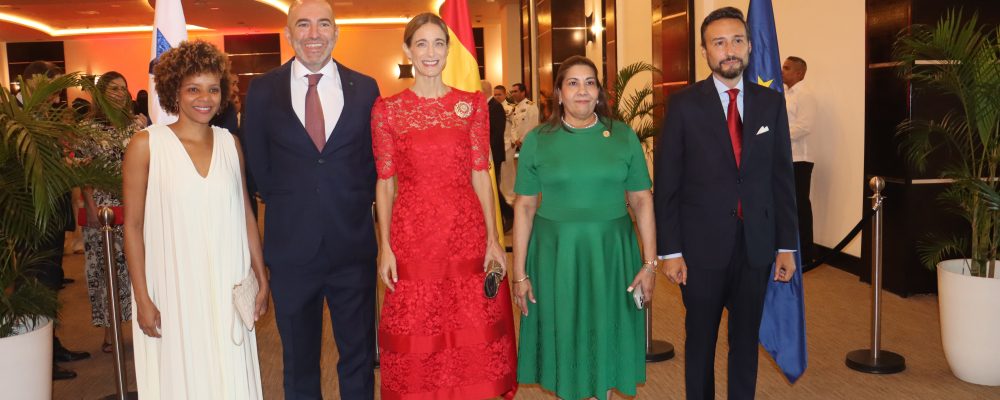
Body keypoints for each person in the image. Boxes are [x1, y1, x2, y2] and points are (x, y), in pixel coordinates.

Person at [653, 7, 798, 400]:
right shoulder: (683, 104)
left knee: (745, 341)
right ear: (705, 52)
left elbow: (782, 178)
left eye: (737, 40)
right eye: (719, 43)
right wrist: (671, 252)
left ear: (750, 46)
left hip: (756, 246)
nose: (729, 50)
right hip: (700, 249)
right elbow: (667, 184)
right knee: (701, 341)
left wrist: (786, 246)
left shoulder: (771, 102)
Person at [372, 13, 517, 399]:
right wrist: (385, 246)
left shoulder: (472, 105)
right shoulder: (387, 110)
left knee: (467, 325)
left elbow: (481, 174)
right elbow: (384, 183)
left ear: (448, 49)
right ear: (407, 51)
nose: (430, 52)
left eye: (438, 43)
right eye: (421, 44)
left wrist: (492, 240)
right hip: (412, 237)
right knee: (418, 326)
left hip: (465, 232)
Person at [241, 0, 381, 398]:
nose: (314, 34)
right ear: (288, 34)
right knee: (299, 363)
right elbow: (258, 166)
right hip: (291, 253)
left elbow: (372, 163)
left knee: (358, 359)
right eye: (303, 25)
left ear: (336, 32)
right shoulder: (263, 90)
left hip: (352, 249)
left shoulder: (365, 88)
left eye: (323, 24)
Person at [122, 40, 268, 399]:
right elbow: (133, 227)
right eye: (193, 89)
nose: (205, 98)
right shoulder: (146, 144)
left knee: (228, 370)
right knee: (183, 374)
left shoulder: (230, 143)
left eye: (213, 89)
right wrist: (142, 297)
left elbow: (245, 214)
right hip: (174, 286)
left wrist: (261, 277)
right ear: (174, 91)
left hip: (227, 281)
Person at [512, 55, 656, 399]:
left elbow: (642, 201)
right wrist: (519, 274)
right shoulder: (538, 139)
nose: (582, 90)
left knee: (606, 331)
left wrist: (650, 264)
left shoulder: (622, 136)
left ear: (598, 92)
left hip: (611, 254)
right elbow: (525, 207)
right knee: (565, 333)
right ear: (559, 94)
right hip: (556, 255)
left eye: (590, 83)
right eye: (572, 83)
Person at [18, 60, 91, 381]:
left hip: (52, 214)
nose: (56, 94)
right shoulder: (17, 117)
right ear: (32, 82)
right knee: (37, 284)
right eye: (52, 86)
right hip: (32, 218)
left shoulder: (45, 115)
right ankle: (38, 356)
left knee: (51, 281)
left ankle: (51, 344)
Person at [79, 71, 145, 354]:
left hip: (134, 206)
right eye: (114, 88)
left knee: (136, 269)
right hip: (102, 209)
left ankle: (143, 329)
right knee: (106, 272)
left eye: (123, 88)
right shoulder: (87, 128)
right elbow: (83, 171)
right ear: (101, 93)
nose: (120, 93)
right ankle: (111, 332)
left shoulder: (135, 126)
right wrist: (90, 205)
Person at [782, 56, 817, 262]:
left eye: (787, 68)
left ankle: (806, 254)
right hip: (785, 157)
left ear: (799, 73)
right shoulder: (785, 94)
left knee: (800, 206)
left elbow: (804, 126)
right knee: (786, 205)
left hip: (799, 159)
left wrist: (777, 135)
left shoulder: (805, 94)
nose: (782, 71)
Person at [483, 80, 514, 228]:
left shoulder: (495, 107)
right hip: (488, 155)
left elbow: (496, 135)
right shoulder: (488, 106)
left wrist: (488, 155)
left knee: (492, 188)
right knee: (490, 187)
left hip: (492, 156)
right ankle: (503, 216)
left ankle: (509, 214)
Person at [500, 82, 538, 204]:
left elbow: (532, 126)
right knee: (517, 170)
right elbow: (513, 126)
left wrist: (521, 140)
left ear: (523, 92)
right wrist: (515, 139)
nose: (513, 94)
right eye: (512, 92)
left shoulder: (531, 106)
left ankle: (530, 197)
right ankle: (518, 196)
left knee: (529, 170)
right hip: (517, 142)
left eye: (516, 91)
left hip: (528, 143)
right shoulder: (515, 108)